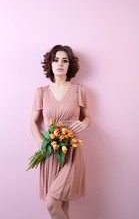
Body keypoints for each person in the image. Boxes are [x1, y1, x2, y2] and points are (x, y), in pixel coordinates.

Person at [30, 44, 91, 219]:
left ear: (69, 65)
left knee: (52, 202)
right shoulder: (41, 93)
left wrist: (84, 124)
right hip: (51, 151)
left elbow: (87, 117)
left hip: (71, 150)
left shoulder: (80, 90)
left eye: (65, 60)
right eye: (56, 59)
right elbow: (33, 122)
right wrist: (41, 142)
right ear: (50, 64)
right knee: (61, 205)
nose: (60, 64)